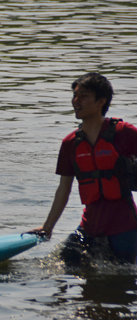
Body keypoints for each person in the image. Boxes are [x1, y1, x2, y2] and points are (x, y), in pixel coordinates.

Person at [33, 72, 137, 264]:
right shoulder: (70, 143)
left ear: (101, 102)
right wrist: (47, 227)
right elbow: (63, 189)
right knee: (62, 266)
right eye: (75, 96)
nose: (76, 101)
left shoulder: (124, 133)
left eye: (83, 96)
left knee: (122, 283)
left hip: (125, 229)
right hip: (89, 229)